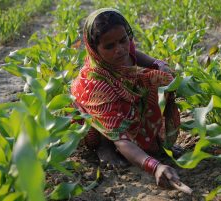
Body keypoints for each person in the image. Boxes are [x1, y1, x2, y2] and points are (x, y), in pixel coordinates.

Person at [71, 8, 181, 188]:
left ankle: (153, 140)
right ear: (94, 49)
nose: (120, 49)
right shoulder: (96, 84)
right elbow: (120, 138)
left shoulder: (123, 48)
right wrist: (155, 167)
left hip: (122, 102)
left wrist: (159, 65)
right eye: (109, 46)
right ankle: (104, 147)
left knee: (162, 78)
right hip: (96, 120)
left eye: (123, 40)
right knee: (110, 127)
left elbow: (133, 53)